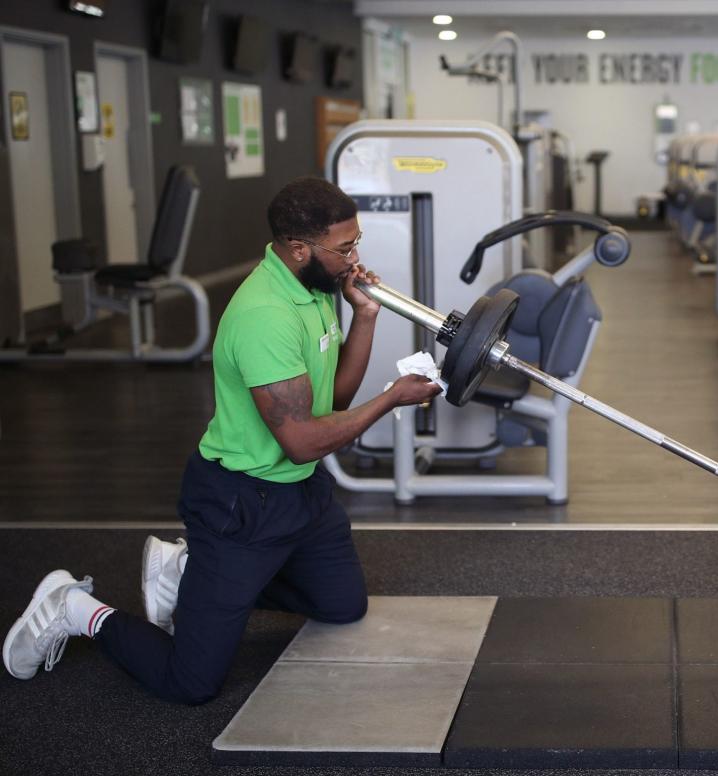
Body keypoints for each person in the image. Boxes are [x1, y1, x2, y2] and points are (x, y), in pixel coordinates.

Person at [3, 177, 441, 703]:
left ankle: (187, 571)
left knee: (343, 607)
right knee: (188, 684)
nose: (355, 259)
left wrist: (364, 315)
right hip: (242, 503)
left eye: (356, 242)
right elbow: (301, 439)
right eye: (345, 248)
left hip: (302, 495)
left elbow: (335, 402)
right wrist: (392, 397)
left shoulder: (315, 290)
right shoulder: (265, 316)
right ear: (299, 248)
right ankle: (74, 609)